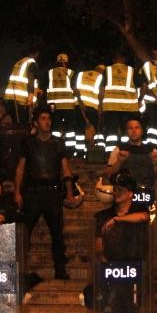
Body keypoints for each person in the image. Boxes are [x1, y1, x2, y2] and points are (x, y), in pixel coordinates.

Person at [94, 169, 149, 313]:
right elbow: (98, 245)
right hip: (111, 271)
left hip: (133, 270)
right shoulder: (103, 216)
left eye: (121, 189)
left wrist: (118, 220)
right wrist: (103, 260)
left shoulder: (139, 209)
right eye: (115, 188)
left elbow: (144, 217)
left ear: (130, 193)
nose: (116, 192)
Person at [14, 106, 77, 280]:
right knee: (24, 233)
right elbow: (21, 169)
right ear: (36, 122)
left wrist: (70, 193)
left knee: (57, 234)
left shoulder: (58, 143)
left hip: (52, 193)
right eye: (42, 118)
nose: (46, 122)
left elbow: (66, 169)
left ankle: (60, 269)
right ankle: (20, 268)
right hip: (32, 193)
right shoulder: (28, 143)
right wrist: (17, 192)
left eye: (48, 118)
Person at [104, 117, 157, 221]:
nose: (134, 131)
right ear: (126, 131)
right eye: (130, 128)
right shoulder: (119, 150)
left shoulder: (152, 151)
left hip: (147, 196)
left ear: (142, 131)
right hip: (124, 198)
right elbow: (108, 176)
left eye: (137, 128)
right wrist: (119, 160)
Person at [100, 52, 140, 153]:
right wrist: (139, 100)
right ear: (124, 59)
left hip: (111, 107)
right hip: (128, 107)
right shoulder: (131, 71)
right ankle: (126, 152)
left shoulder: (107, 70)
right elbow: (143, 85)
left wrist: (100, 105)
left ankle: (111, 155)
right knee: (126, 131)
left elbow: (101, 89)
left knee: (111, 132)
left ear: (113, 59)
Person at [45, 53, 77, 154]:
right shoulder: (71, 72)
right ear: (66, 62)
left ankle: (55, 149)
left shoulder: (50, 72)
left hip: (54, 105)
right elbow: (75, 89)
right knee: (70, 130)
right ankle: (70, 152)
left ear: (57, 62)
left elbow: (47, 89)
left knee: (55, 128)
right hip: (68, 105)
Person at [74, 65, 105, 156]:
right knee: (93, 131)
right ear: (102, 71)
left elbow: (75, 89)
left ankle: (79, 154)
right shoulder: (100, 77)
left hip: (79, 105)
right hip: (92, 107)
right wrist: (100, 106)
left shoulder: (81, 74)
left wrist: (80, 101)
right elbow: (101, 92)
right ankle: (91, 153)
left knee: (79, 131)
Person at [5, 47, 40, 125]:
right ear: (36, 54)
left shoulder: (19, 62)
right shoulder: (31, 62)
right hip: (21, 98)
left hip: (11, 97)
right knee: (23, 124)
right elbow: (30, 78)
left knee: (17, 124)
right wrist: (31, 95)